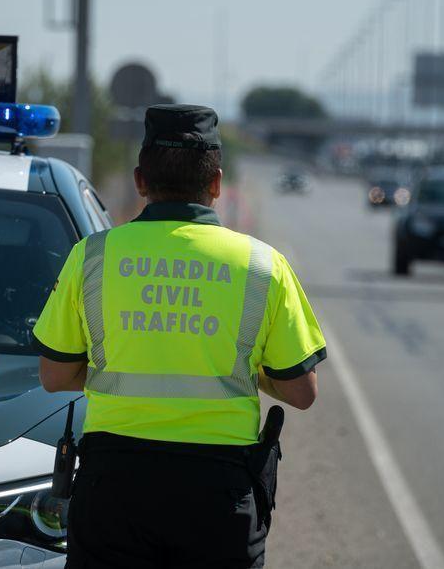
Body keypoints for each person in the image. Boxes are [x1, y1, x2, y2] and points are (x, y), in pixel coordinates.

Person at [32, 104, 326, 568]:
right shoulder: (262, 265)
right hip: (219, 495)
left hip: (114, 489)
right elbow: (302, 392)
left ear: (139, 181)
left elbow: (54, 375)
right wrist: (241, 369)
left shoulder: (91, 256)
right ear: (215, 183)